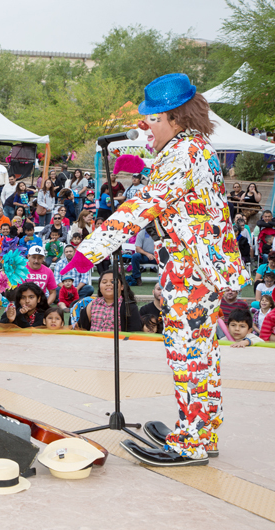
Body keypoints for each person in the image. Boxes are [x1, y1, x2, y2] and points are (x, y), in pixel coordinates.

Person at [64, 75, 252, 465]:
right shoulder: (191, 146)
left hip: (194, 273)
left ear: (172, 117)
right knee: (201, 353)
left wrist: (88, 252)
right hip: (195, 268)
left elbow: (144, 205)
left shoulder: (184, 153)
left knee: (188, 356)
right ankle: (202, 429)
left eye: (152, 119)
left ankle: (192, 442)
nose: (146, 127)